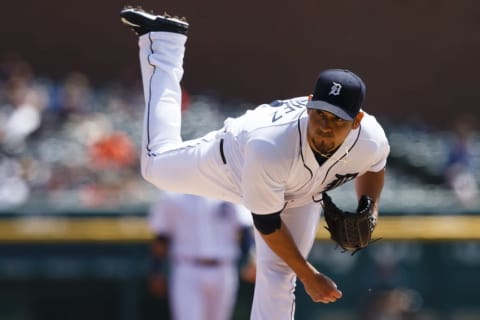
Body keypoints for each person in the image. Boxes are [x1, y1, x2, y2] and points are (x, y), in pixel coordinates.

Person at [120, 7, 390, 320]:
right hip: (232, 164)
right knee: (154, 166)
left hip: (300, 192)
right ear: (308, 103)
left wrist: (369, 208)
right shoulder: (271, 145)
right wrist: (310, 275)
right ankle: (164, 41)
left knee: (277, 277)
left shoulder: (370, 139)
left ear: (356, 121)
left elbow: (375, 165)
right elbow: (266, 223)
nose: (325, 126)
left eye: (337, 120)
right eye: (320, 114)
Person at [148, 191, 255, 320]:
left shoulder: (227, 189)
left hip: (223, 269)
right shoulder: (172, 194)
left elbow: (244, 228)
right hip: (187, 269)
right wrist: (156, 270)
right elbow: (162, 237)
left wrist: (251, 258)